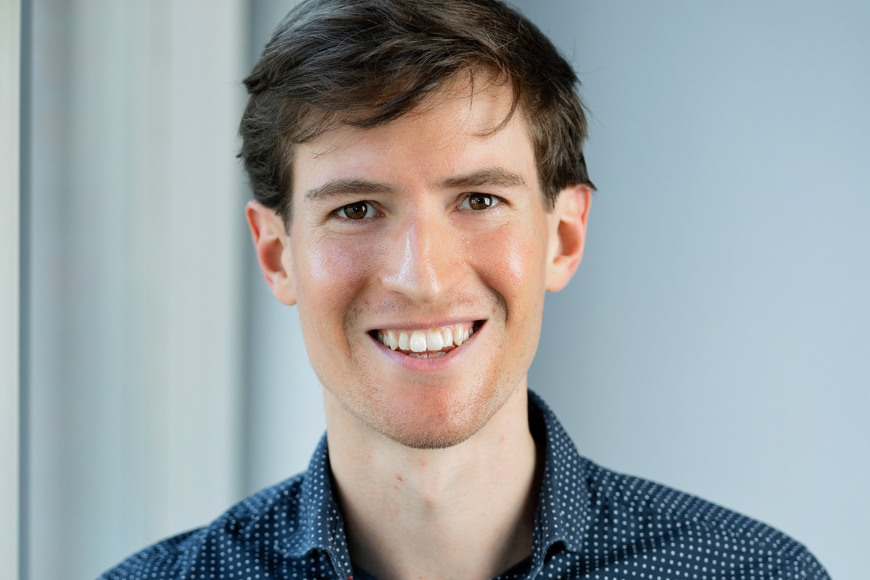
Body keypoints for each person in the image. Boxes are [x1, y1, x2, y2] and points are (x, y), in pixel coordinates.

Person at [101, 0, 830, 579]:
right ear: (277, 253)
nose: (423, 277)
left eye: (479, 200)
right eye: (356, 210)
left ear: (564, 237)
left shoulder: (757, 573)